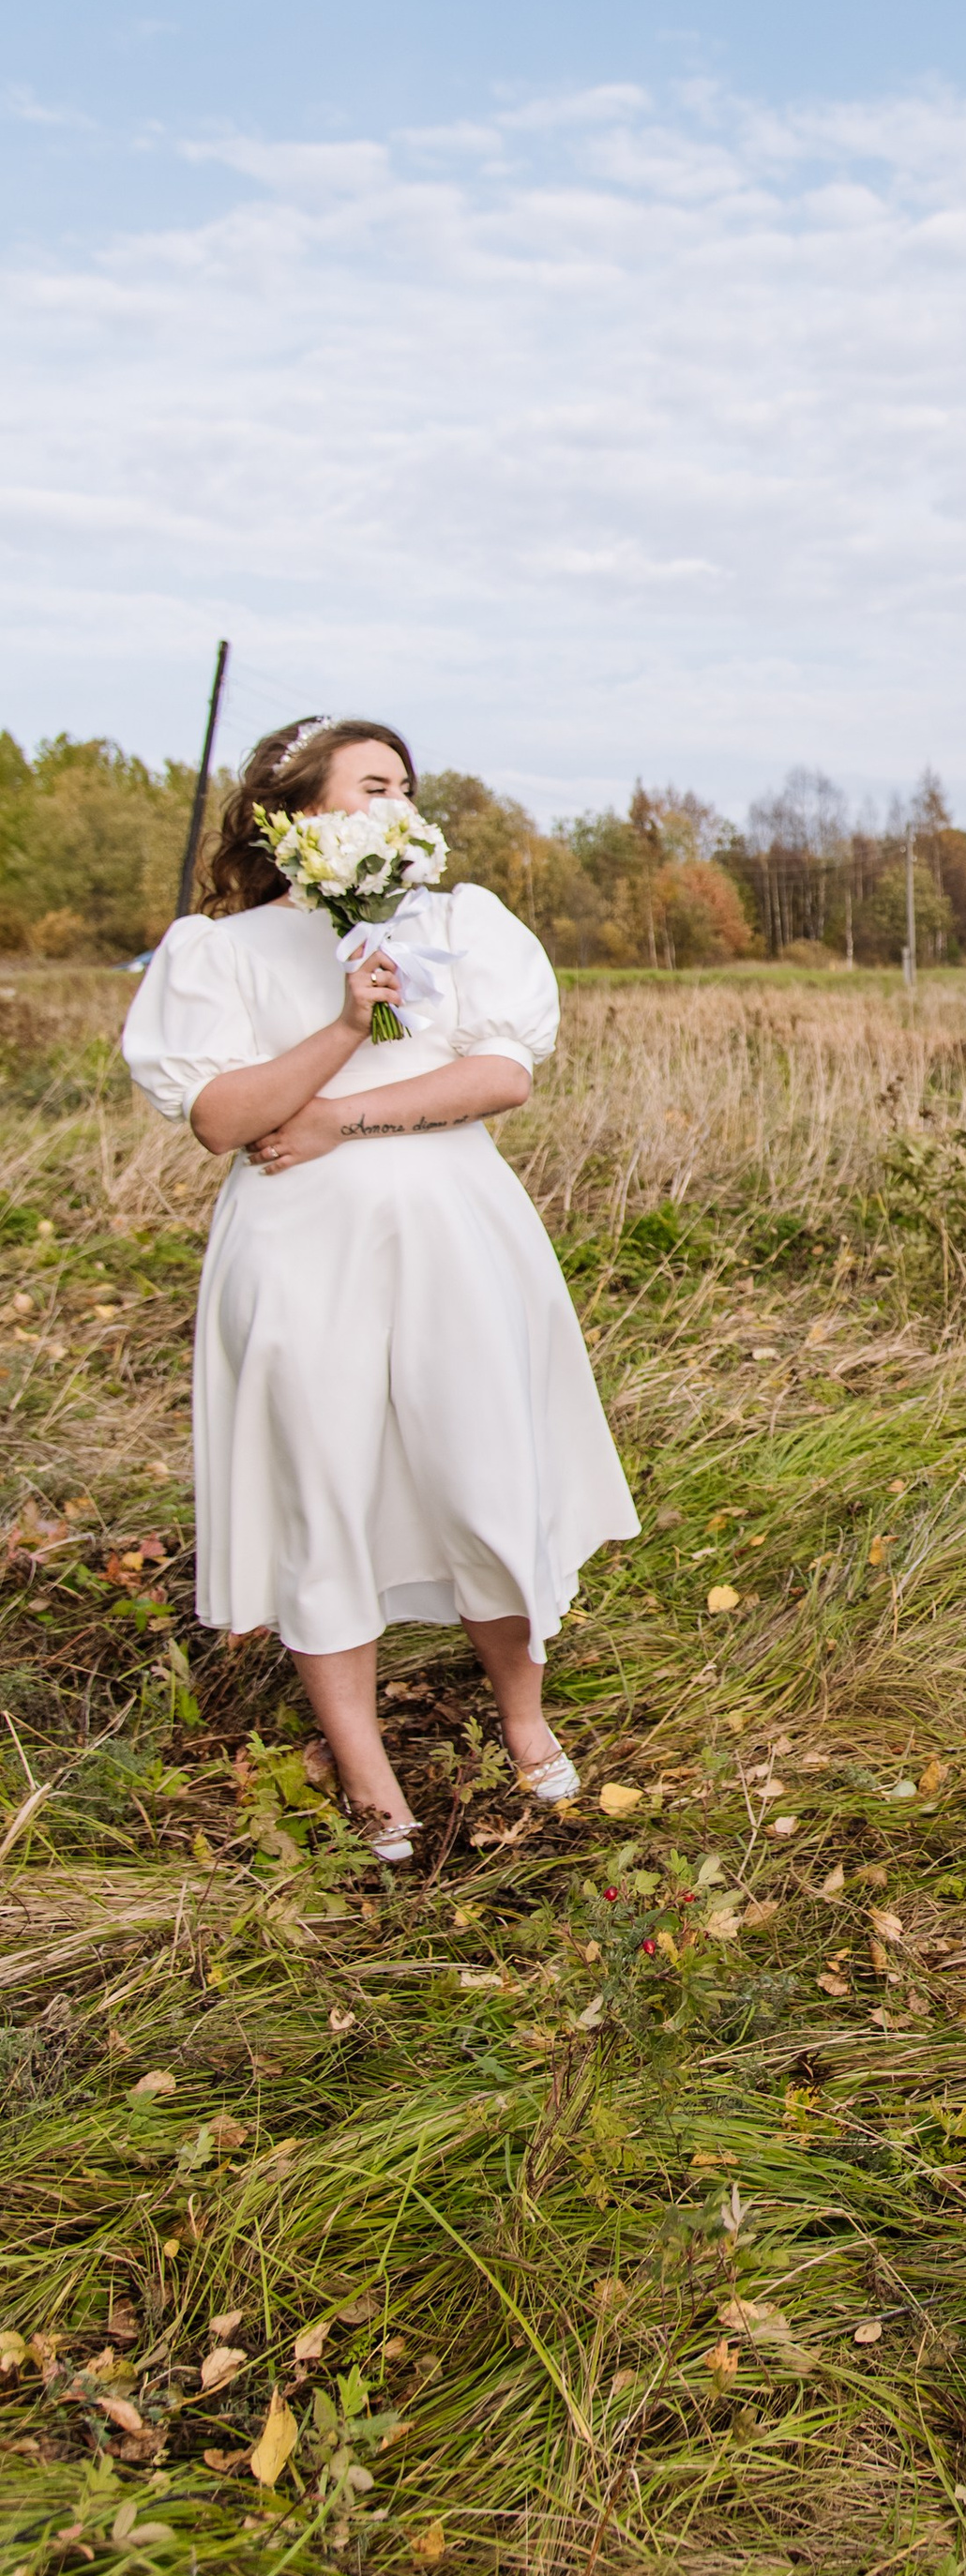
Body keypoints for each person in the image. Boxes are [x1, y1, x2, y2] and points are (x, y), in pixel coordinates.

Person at [121, 716, 638, 1863]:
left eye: (404, 786)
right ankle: (368, 1774)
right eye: (371, 785)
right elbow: (222, 1117)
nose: (396, 803)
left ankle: (524, 1719)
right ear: (299, 816)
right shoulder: (217, 951)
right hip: (300, 1247)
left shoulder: (457, 922)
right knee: (326, 1487)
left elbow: (501, 1074)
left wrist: (344, 1115)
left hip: (457, 1230)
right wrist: (348, 1021)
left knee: (484, 1466)